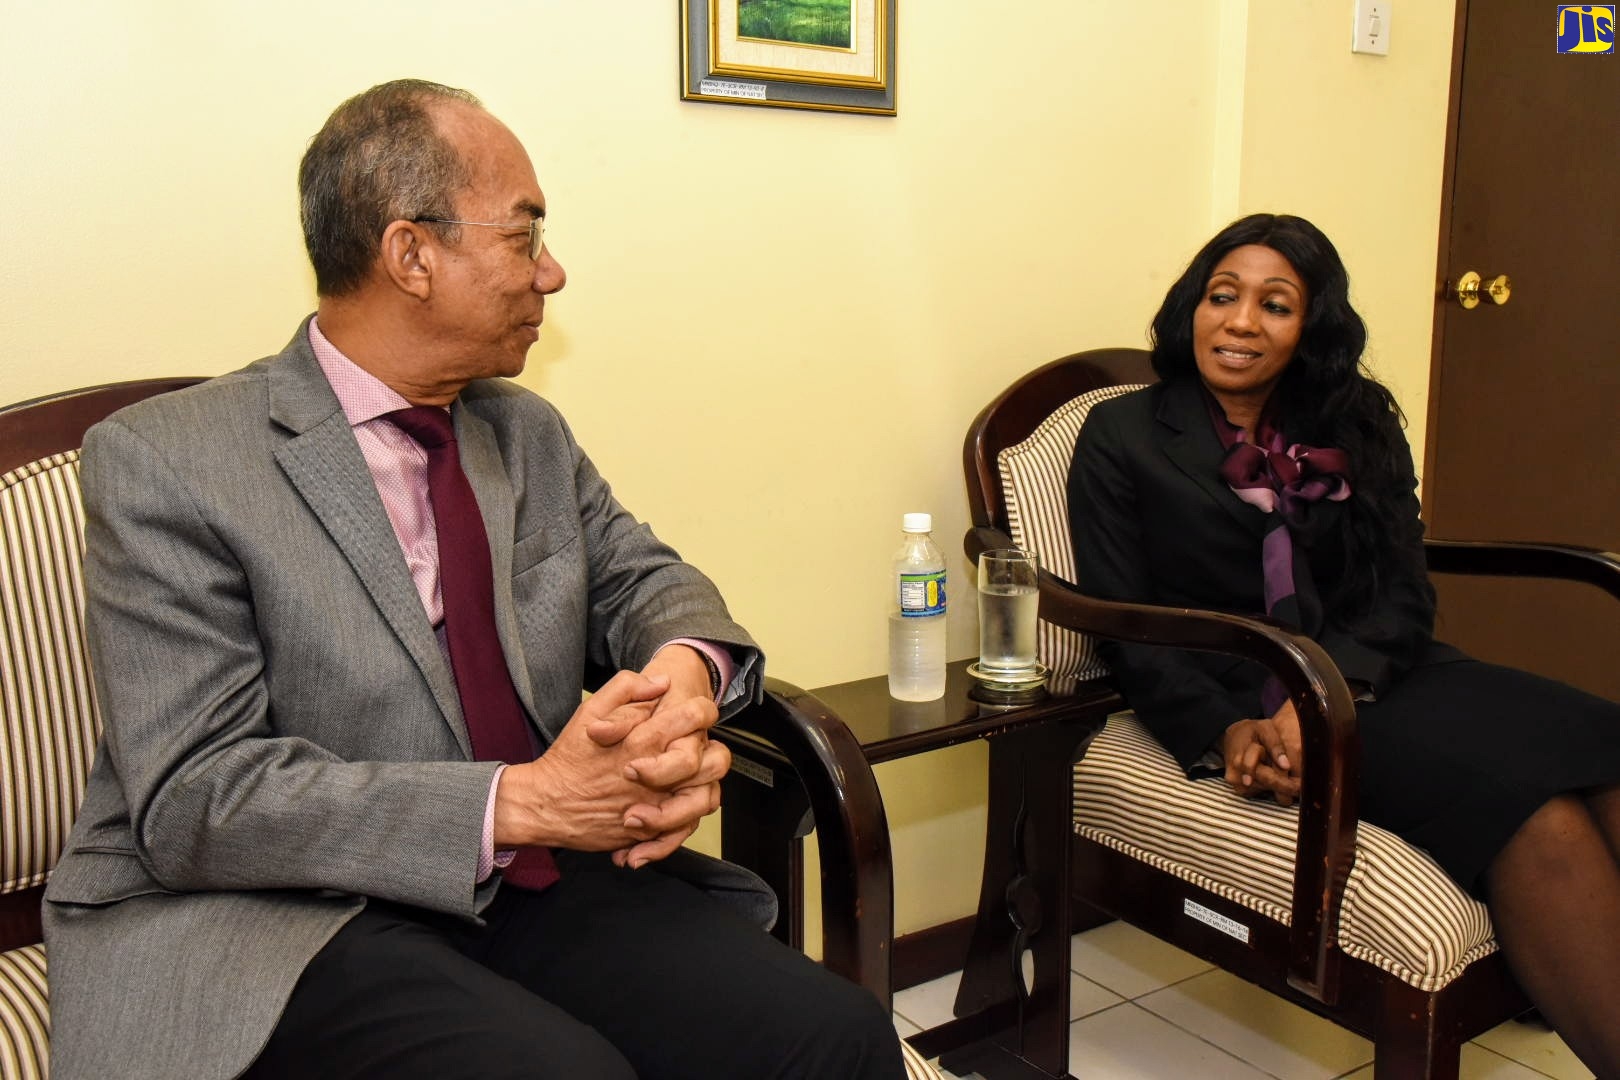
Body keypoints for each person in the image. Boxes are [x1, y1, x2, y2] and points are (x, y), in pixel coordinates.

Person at [41, 79, 904, 1080]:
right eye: (525, 236)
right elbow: (197, 798)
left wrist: (683, 680)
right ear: (412, 255)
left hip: (518, 881)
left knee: (834, 1034)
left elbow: (645, 580)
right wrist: (526, 802)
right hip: (282, 911)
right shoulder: (169, 461)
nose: (554, 272)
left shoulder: (522, 432)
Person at [1067, 213, 1620, 1076]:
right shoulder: (1123, 433)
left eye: (1275, 305)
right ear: (1190, 308)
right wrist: (1227, 729)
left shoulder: (1355, 420)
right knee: (1542, 824)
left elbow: (1404, 588)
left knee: (1607, 750)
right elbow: (1121, 620)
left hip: (1380, 674)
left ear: (1310, 328)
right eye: (1222, 296)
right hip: (1248, 692)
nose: (1241, 322)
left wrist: (1340, 684)